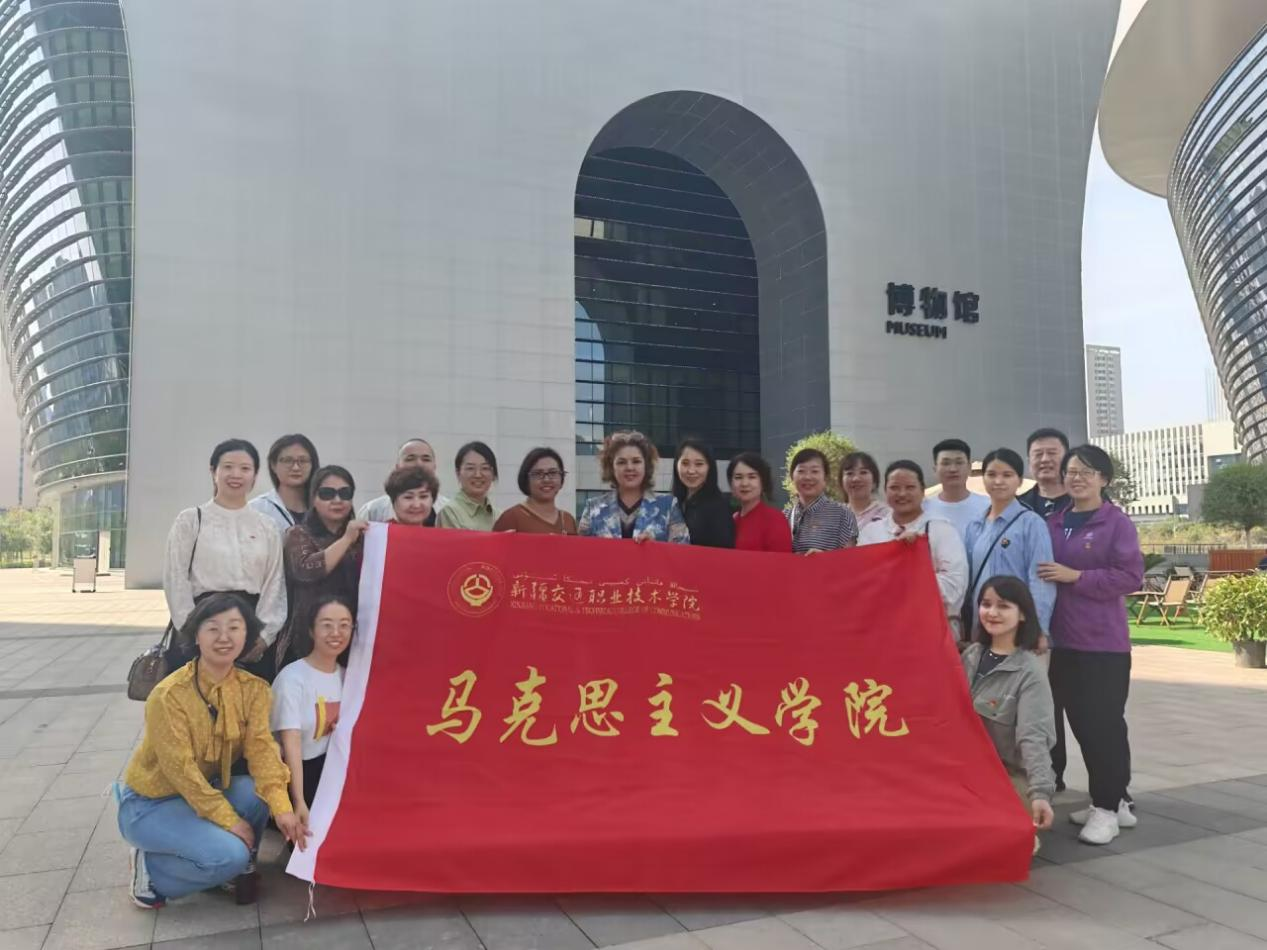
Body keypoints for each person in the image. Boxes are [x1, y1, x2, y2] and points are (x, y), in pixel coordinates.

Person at [115, 594, 306, 910]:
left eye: (234, 627)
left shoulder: (254, 690)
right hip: (151, 804)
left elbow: (262, 752)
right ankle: (151, 871)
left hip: (202, 793)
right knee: (230, 855)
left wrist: (283, 808)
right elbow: (183, 774)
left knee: (256, 792)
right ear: (196, 635)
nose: (224, 637)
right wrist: (231, 821)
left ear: (247, 636)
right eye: (213, 628)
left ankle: (227, 866)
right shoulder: (168, 695)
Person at [1038, 444, 1144, 846]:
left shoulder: (1115, 522)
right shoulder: (1055, 522)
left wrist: (1076, 577)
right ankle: (1113, 800)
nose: (1076, 477)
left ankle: (1107, 809)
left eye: (1086, 471)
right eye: (1071, 471)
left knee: (1104, 726)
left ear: (1104, 479)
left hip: (1103, 645)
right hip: (1062, 644)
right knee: (1081, 726)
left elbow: (1129, 577)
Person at [164, 439, 286, 674]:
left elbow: (275, 584)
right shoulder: (190, 520)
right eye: (228, 467)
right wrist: (194, 633)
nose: (236, 474)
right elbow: (175, 579)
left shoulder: (267, 526)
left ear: (255, 475)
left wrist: (263, 637)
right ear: (213, 472)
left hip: (251, 628)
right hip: (200, 625)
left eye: (245, 468)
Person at [961, 576, 1056, 854]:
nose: (992, 612)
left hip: (1005, 774)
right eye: (986, 604)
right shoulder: (971, 655)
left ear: (1022, 614)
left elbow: (1033, 737)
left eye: (1003, 606)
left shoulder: (1029, 673)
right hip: (963, 768)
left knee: (998, 842)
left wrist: (1040, 793)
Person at [859, 460, 968, 634]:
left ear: (922, 490)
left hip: (932, 629)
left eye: (910, 487)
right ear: (885, 491)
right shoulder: (871, 533)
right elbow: (862, 583)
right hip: (882, 629)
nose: (902, 494)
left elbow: (954, 586)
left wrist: (906, 575)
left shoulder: (942, 530)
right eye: (894, 487)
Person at [271, 595, 352, 826]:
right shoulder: (292, 678)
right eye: (326, 625)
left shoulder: (349, 678)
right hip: (298, 773)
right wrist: (299, 802)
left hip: (332, 771)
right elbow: (292, 745)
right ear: (311, 630)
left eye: (344, 625)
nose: (336, 633)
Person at [276, 466, 366, 669]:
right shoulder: (298, 533)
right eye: (327, 494)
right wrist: (346, 540)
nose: (337, 500)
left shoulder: (363, 538)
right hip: (306, 638)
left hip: (349, 636)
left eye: (344, 493)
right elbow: (306, 570)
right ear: (313, 499)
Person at [964, 448, 1056, 644]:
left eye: (1007, 475)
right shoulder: (975, 526)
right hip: (982, 626)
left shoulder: (1032, 524)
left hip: (1019, 629)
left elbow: (1041, 579)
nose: (998, 481)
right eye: (991, 474)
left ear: (1019, 480)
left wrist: (1038, 629)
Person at [578, 430, 689, 542]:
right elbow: (580, 550)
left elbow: (683, 549)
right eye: (621, 462)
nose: (629, 467)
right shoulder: (593, 508)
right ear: (611, 467)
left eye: (636, 461)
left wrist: (655, 547)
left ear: (646, 465)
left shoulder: (668, 506)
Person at [359, 439, 452, 522]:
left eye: (426, 459)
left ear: (434, 466)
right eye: (410, 459)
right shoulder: (372, 511)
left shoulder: (448, 510)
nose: (419, 464)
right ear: (397, 467)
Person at [786, 448, 858, 554]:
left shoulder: (842, 514)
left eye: (814, 471)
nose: (807, 477)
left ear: (825, 478)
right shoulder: (784, 516)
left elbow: (850, 558)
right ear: (792, 477)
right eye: (801, 471)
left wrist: (824, 558)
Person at [493, 447, 577, 534]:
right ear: (526, 480)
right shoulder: (511, 518)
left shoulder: (568, 520)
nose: (546, 480)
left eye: (553, 473)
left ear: (562, 478)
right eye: (538, 474)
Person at [250, 434, 319, 535]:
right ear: (273, 465)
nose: (296, 467)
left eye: (303, 461)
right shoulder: (257, 509)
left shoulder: (323, 507)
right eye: (287, 460)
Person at [923, 438, 990, 543]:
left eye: (959, 462)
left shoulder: (988, 507)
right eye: (946, 463)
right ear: (935, 470)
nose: (953, 469)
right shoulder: (923, 509)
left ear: (969, 467)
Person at [672, 439, 735, 548]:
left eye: (699, 464)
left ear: (710, 467)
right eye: (685, 463)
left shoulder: (719, 507)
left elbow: (723, 551)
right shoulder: (673, 503)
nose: (691, 471)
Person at [728, 452, 793, 553]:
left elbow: (781, 560)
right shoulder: (733, 520)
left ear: (763, 482)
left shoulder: (775, 519)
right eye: (738, 477)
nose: (744, 483)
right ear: (731, 484)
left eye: (752, 477)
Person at [437, 442, 500, 531]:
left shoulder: (500, 516)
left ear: (493, 474)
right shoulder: (450, 512)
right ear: (458, 473)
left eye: (485, 468)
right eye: (470, 468)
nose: (478, 475)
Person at [1018, 428, 1072, 521]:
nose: (1045, 459)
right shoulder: (1018, 506)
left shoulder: (1086, 502)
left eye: (1052, 453)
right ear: (1029, 461)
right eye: (1038, 454)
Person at [839, 451, 889, 531]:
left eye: (863, 472)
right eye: (849, 473)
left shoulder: (887, 514)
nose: (856, 479)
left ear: (874, 481)